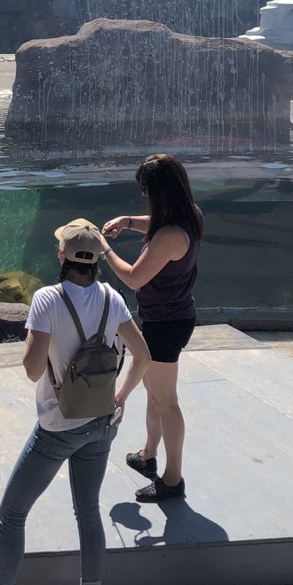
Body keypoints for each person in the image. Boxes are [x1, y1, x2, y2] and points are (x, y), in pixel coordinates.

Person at [0, 218, 151, 585]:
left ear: (60, 255)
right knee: (89, 511)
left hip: (58, 426)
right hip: (101, 422)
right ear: (96, 259)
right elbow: (142, 355)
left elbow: (31, 371)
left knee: (12, 513)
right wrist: (122, 396)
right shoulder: (113, 298)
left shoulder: (47, 298)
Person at [100, 153, 202, 502]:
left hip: (166, 325)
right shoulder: (187, 214)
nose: (144, 196)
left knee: (166, 402)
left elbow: (133, 277)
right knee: (154, 393)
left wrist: (103, 250)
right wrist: (127, 221)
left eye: (146, 190)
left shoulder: (170, 235)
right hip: (167, 317)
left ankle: (172, 480)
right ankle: (148, 455)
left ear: (159, 192)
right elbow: (154, 224)